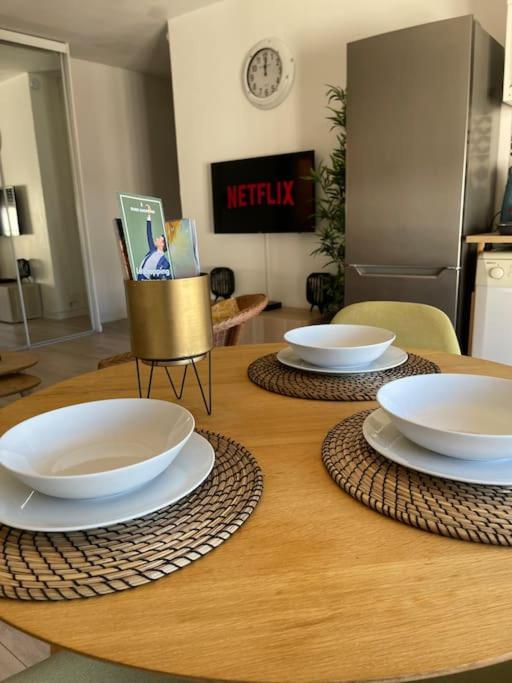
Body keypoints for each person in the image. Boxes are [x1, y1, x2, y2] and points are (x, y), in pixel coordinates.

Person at [137, 210, 171, 280]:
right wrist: (149, 217)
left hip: (146, 280)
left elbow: (163, 277)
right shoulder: (153, 249)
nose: (156, 238)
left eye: (159, 238)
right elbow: (149, 235)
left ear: (162, 244)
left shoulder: (164, 261)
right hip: (139, 277)